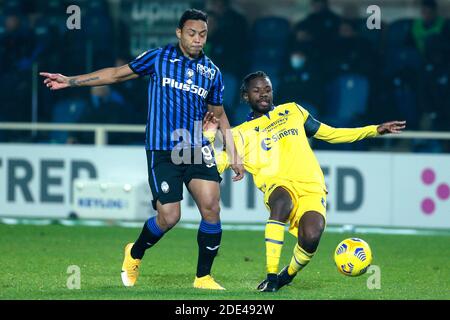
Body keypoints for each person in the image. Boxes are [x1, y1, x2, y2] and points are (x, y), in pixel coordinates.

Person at [40, 9, 245, 290]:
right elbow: (114, 75)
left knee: (211, 207)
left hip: (195, 147)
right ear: (179, 33)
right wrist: (71, 80)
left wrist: (234, 154)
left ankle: (203, 277)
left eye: (202, 34)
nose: (197, 39)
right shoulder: (158, 58)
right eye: (191, 33)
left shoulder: (212, 72)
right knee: (170, 216)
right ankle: (134, 253)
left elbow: (219, 115)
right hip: (162, 150)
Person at [203, 71, 405, 292]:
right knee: (281, 202)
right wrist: (209, 137)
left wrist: (374, 130)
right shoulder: (239, 135)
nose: (263, 95)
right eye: (256, 90)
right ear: (245, 97)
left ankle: (285, 276)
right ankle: (271, 276)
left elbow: (331, 133)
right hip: (277, 186)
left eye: (267, 89)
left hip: (311, 186)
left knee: (311, 236)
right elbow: (214, 161)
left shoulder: (293, 111)